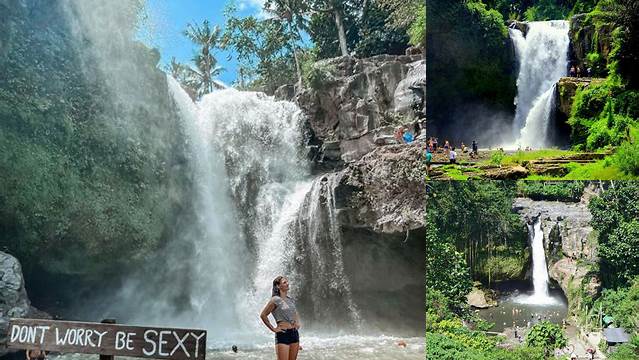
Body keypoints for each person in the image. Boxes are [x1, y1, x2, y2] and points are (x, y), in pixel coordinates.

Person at [261, 276, 301, 360]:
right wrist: (273, 329)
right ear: (278, 286)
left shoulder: (290, 299)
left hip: (294, 333)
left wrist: (297, 322)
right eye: (284, 282)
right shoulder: (275, 300)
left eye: (287, 282)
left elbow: (295, 312)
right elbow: (263, 315)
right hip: (283, 334)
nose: (287, 284)